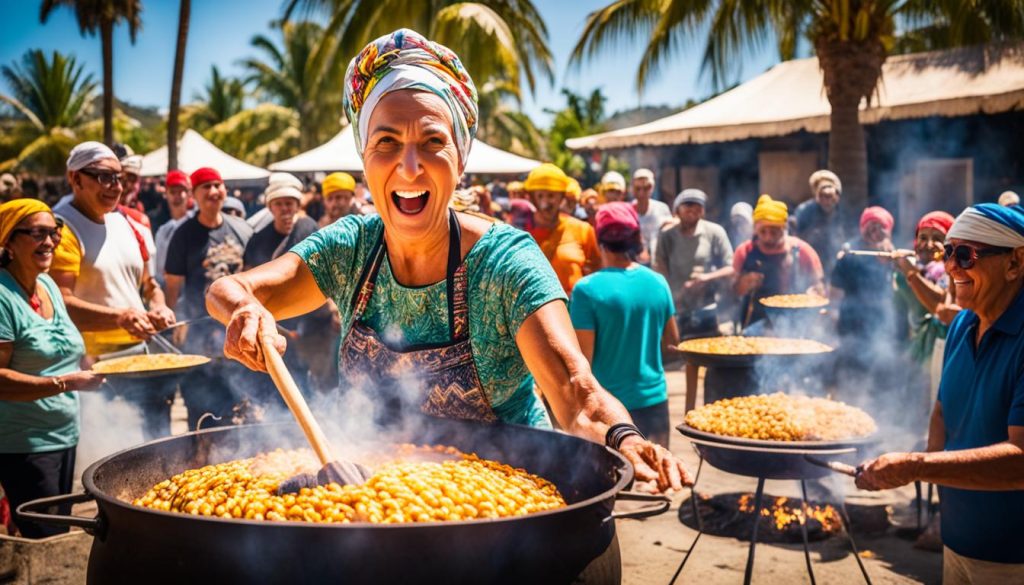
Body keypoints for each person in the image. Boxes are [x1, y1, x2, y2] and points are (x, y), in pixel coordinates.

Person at [207, 28, 689, 494]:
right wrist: (245, 311)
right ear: (364, 158)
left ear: (461, 159)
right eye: (387, 143)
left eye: (433, 142)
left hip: (508, 508)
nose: (410, 166)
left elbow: (575, 390)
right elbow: (230, 289)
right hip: (375, 499)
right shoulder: (351, 248)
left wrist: (625, 438)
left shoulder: (505, 263)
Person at [855, 203, 1024, 582]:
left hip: (1013, 555)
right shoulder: (964, 323)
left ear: (1015, 262)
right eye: (948, 253)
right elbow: (943, 410)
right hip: (958, 538)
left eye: (965, 255)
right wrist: (924, 476)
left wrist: (916, 467)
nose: (950, 266)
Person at [51, 142, 175, 439]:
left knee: (151, 445)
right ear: (75, 178)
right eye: (104, 177)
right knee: (102, 454)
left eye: (119, 178)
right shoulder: (60, 228)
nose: (115, 186)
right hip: (89, 366)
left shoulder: (127, 223)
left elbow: (149, 284)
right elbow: (59, 302)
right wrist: (121, 317)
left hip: (138, 357)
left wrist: (158, 306)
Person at [0, 199, 104, 538]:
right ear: (9, 242)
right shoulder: (3, 296)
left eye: (53, 233)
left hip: (64, 435)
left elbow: (68, 348)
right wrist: (66, 382)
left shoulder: (47, 287)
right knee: (45, 538)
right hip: (25, 444)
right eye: (37, 233)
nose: (49, 242)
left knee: (56, 529)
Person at [570, 203, 678, 447]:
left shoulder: (586, 290)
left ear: (600, 241)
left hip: (608, 410)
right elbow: (672, 343)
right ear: (636, 239)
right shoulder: (658, 282)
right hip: (654, 403)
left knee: (616, 483)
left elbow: (582, 360)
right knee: (660, 479)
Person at [164, 167, 254, 430]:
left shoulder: (241, 229)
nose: (214, 192)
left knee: (239, 411)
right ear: (194, 194)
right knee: (201, 414)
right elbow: (173, 286)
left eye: (218, 185)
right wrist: (175, 327)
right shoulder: (184, 235)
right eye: (206, 187)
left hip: (237, 339)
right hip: (198, 340)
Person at [655, 189, 734, 412]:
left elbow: (730, 267)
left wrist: (705, 279)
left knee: (711, 364)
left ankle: (712, 410)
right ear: (677, 210)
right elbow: (659, 269)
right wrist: (671, 297)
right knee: (684, 361)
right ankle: (688, 413)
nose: (692, 209)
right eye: (687, 204)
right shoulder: (667, 236)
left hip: (708, 308)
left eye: (698, 205)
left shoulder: (715, 232)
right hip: (678, 308)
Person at [892, 211, 959, 405]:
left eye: (937, 239)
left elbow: (939, 306)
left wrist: (911, 274)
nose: (928, 245)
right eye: (922, 238)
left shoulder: (953, 271)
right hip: (919, 348)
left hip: (946, 348)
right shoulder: (911, 270)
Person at [733, 194, 824, 329]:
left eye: (774, 232)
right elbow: (733, 291)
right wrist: (744, 283)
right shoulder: (744, 251)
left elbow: (819, 285)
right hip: (755, 325)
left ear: (784, 228)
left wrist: (814, 293)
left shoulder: (802, 251)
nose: (769, 237)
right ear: (755, 229)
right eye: (763, 232)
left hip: (794, 325)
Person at [524, 163, 601, 295]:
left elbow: (597, 273)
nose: (546, 203)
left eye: (551, 196)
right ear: (532, 199)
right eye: (540, 196)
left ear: (561, 198)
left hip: (574, 311)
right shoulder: (520, 234)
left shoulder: (582, 230)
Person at [792, 170, 844, 277]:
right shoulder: (805, 211)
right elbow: (794, 237)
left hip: (834, 261)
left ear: (837, 196)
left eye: (830, 196)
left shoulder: (843, 212)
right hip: (809, 260)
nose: (827, 201)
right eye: (823, 196)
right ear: (817, 196)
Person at [153, 170, 192, 289]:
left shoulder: (197, 223)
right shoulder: (162, 229)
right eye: (173, 192)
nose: (177, 195)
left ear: (189, 193)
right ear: (166, 194)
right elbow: (158, 266)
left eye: (181, 191)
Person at [631, 168, 673, 266]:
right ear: (632, 188)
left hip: (658, 262)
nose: (642, 192)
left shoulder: (661, 208)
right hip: (633, 263)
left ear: (652, 188)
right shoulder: (628, 210)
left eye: (646, 188)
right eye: (638, 188)